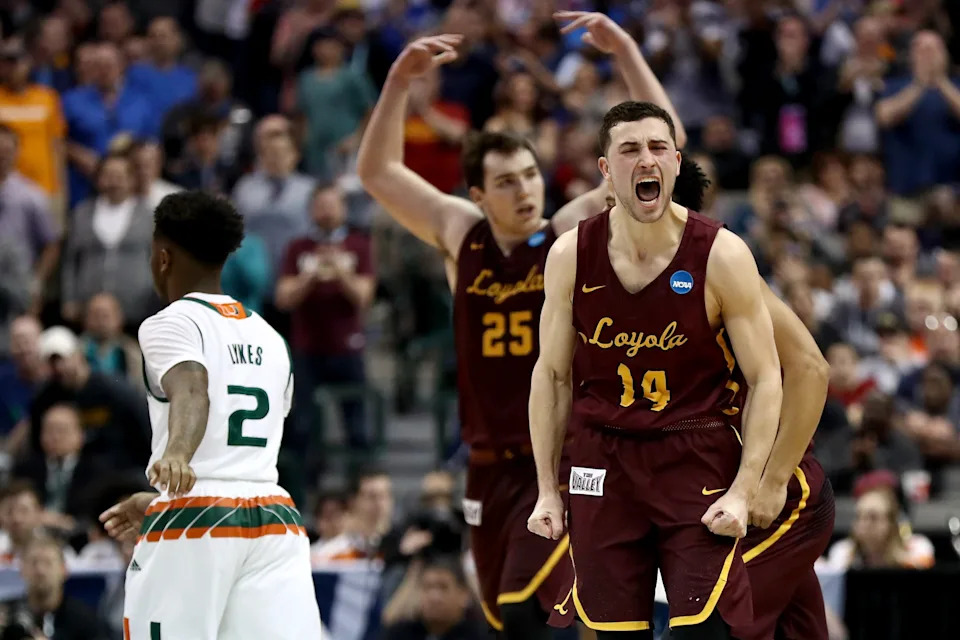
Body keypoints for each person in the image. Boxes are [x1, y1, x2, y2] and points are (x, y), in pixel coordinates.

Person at [357, 12, 687, 639]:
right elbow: (377, 175)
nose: (524, 191)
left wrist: (626, 53)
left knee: (537, 609)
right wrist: (399, 82)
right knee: (512, 616)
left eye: (530, 176)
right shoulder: (461, 233)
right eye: (506, 183)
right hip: (487, 462)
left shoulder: (567, 232)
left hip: (562, 452)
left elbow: (664, 157)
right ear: (479, 195)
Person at [527, 101, 784, 640]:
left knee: (705, 630)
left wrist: (745, 487)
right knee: (615, 633)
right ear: (605, 170)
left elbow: (766, 378)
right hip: (603, 458)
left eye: (657, 148)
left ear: (674, 160)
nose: (646, 159)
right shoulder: (570, 255)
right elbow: (551, 378)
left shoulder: (722, 253)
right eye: (629, 150)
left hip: (694, 450)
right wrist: (548, 489)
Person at [96, 191, 322, 639]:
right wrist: (166, 499)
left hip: (195, 518)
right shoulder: (270, 336)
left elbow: (192, 387)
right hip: (274, 518)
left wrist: (178, 459)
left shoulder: (169, 322)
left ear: (163, 257)